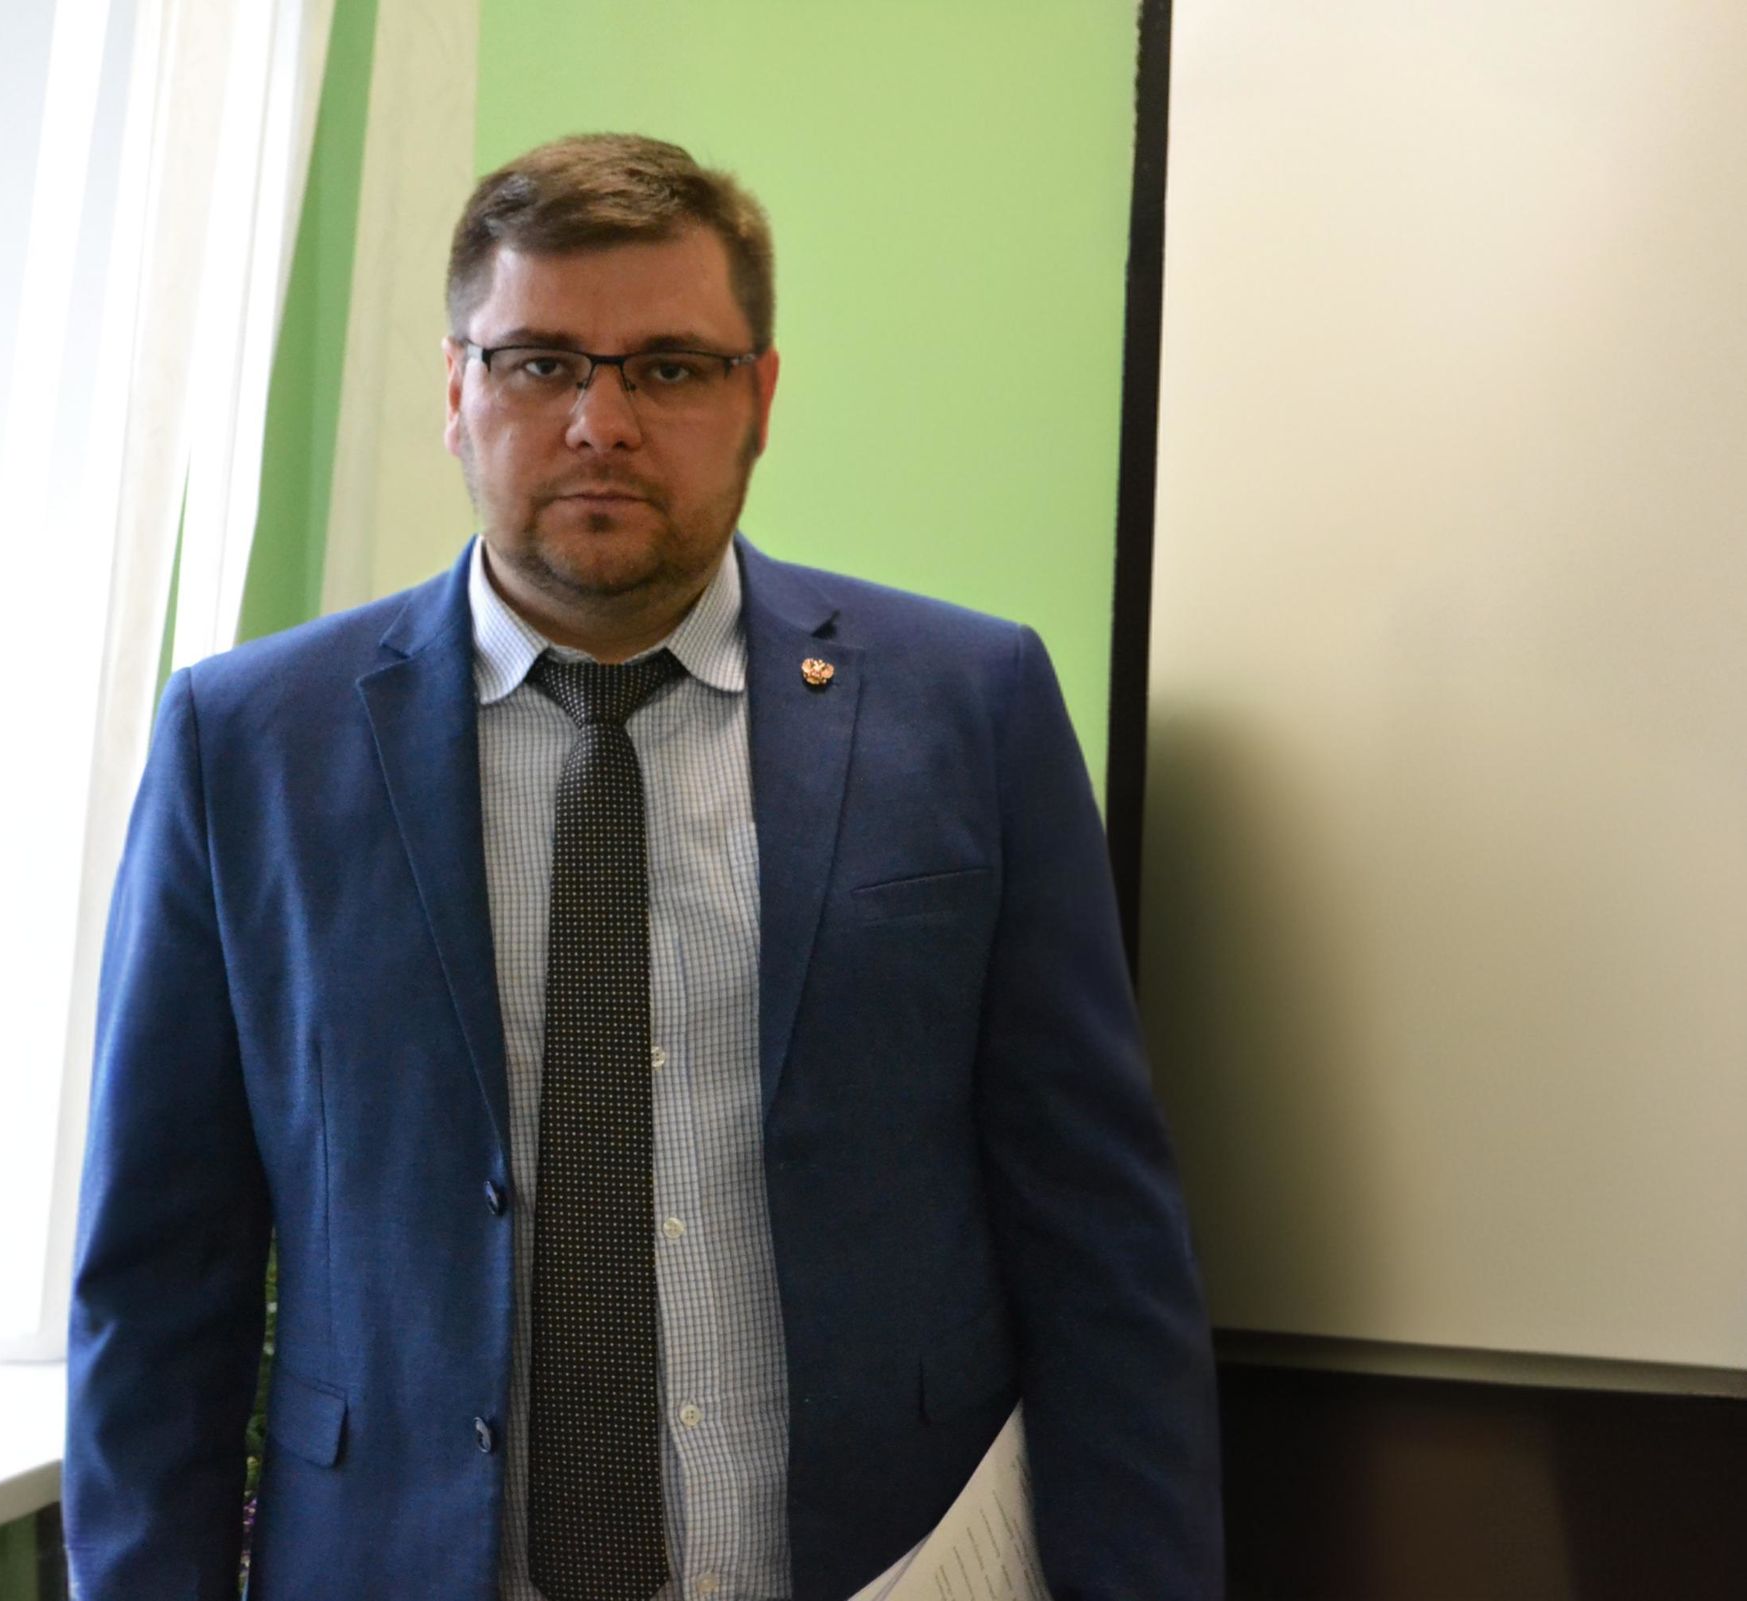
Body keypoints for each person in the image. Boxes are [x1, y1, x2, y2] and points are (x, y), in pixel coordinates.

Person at [65, 133, 1221, 1600]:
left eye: (669, 368)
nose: (599, 422)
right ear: (456, 390)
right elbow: (159, 1284)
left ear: (760, 399)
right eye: (540, 362)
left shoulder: (969, 709)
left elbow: (1100, 1242)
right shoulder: (248, 746)